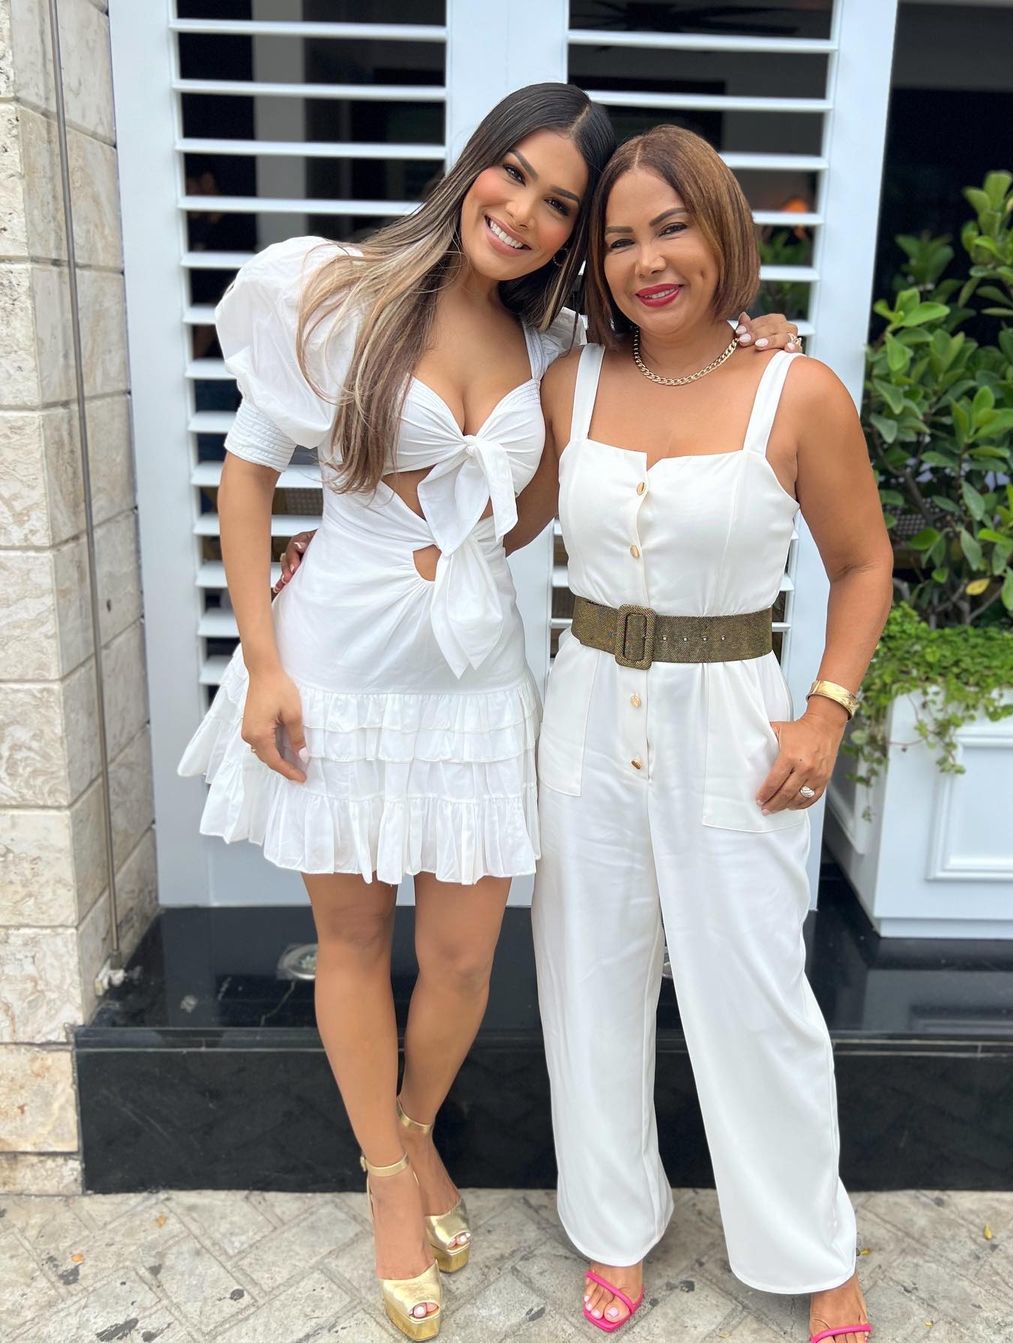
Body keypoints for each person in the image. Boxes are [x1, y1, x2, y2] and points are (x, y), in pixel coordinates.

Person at [179, 82, 799, 1340]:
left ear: (576, 233)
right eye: (512, 174)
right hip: (338, 675)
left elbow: (551, 490)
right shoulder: (340, 296)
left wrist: (755, 339)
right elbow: (245, 482)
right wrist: (266, 658)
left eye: (561, 203)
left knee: (464, 953)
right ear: (473, 167)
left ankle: (415, 1126)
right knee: (355, 940)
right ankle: (388, 1176)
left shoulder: (558, 353)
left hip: (470, 688)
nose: (523, 211)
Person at [512, 126, 893, 1340]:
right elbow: (493, 519)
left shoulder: (798, 389)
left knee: (756, 994)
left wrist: (826, 709)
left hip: (734, 718)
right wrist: (351, 537)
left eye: (671, 227)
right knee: (589, 982)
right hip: (586, 712)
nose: (648, 260)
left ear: (722, 229)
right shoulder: (569, 384)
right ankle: (613, 1221)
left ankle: (811, 1244)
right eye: (620, 238)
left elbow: (864, 562)